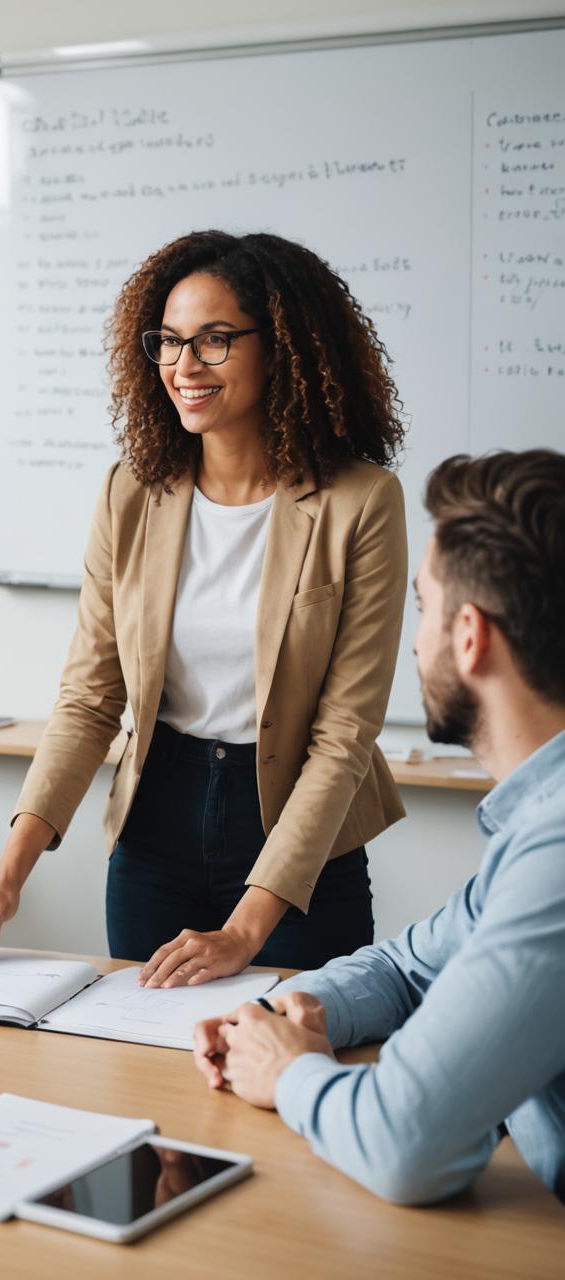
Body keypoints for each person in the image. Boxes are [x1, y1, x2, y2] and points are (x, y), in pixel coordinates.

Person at [0, 230, 407, 982]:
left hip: (297, 841)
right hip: (153, 826)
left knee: (280, 1074)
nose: (183, 366)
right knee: (142, 1070)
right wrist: (9, 874)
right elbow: (90, 700)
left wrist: (246, 928)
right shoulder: (129, 493)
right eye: (167, 341)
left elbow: (343, 737)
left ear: (283, 346)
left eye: (214, 340)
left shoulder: (360, 503)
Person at [193, 450, 565, 1205]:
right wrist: (283, 1017)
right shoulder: (536, 823)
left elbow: (409, 1148)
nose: (416, 644)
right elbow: (406, 969)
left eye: (423, 610)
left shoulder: (556, 853)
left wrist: (289, 1071)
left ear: (471, 636)